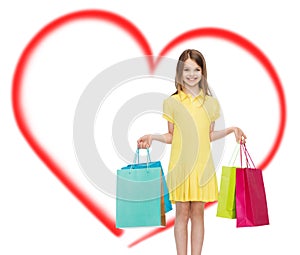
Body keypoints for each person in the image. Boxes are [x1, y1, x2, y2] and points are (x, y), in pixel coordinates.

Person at [137, 49, 246, 255]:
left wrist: (231, 129)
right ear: (179, 72)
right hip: (180, 165)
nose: (191, 74)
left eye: (196, 69)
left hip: (202, 166)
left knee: (198, 213)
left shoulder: (210, 102)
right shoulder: (173, 102)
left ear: (203, 72)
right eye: (186, 69)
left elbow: (209, 135)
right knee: (182, 213)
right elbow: (171, 136)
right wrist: (154, 136)